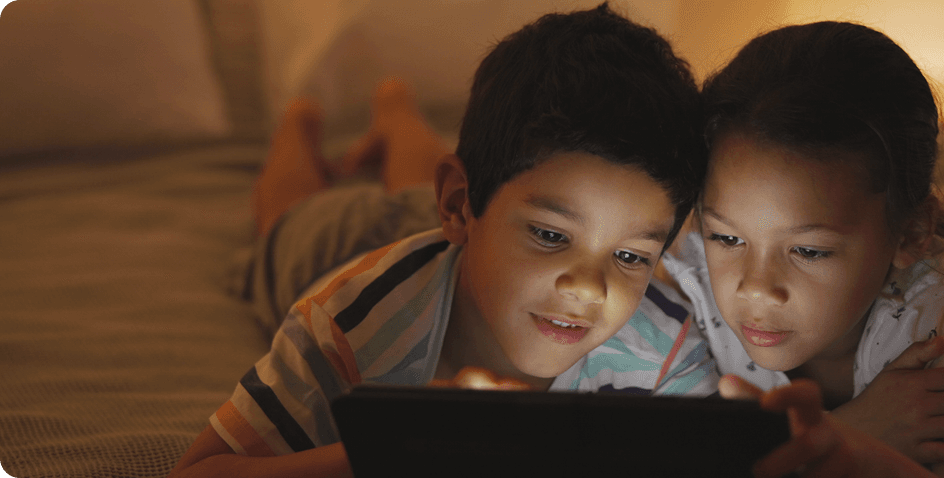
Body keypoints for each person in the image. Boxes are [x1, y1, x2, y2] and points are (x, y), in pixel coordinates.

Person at [167, 5, 714, 477]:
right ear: (458, 206)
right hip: (339, 249)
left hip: (449, 233)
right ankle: (301, 120)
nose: (590, 288)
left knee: (411, 189)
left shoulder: (665, 351)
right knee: (294, 214)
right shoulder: (346, 325)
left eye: (629, 256)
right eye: (551, 235)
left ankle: (394, 109)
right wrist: (398, 450)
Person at [675, 21, 944, 476]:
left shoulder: (934, 327)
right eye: (727, 238)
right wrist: (859, 429)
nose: (756, 289)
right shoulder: (683, 289)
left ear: (908, 235)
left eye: (809, 251)